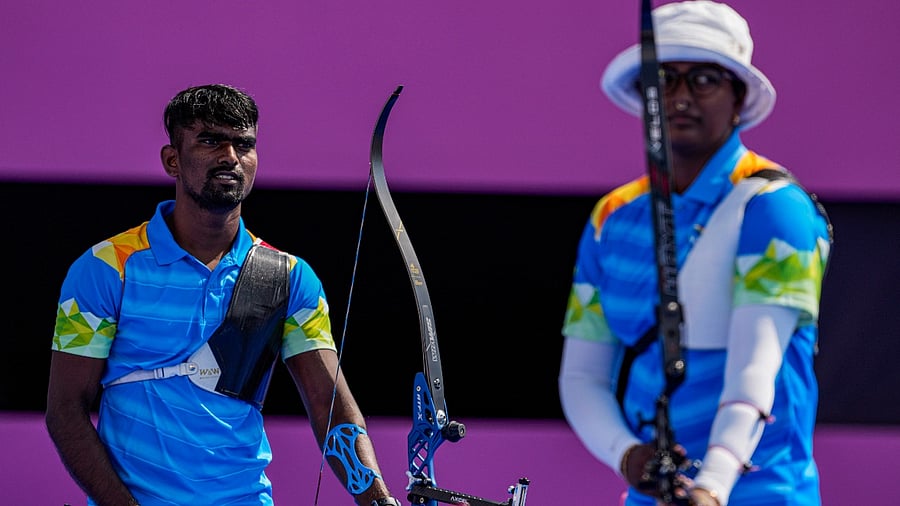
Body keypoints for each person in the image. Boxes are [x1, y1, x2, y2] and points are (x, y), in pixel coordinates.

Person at [45, 84, 402, 506]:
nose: (230, 157)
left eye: (244, 144)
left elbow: (330, 406)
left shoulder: (288, 276)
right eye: (211, 141)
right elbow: (65, 410)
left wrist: (379, 500)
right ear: (172, 160)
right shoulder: (107, 267)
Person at [558, 2, 832, 505]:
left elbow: (758, 368)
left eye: (703, 79)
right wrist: (626, 454)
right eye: (661, 79)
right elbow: (582, 375)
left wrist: (712, 486)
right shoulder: (612, 216)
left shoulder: (774, 209)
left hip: (761, 493)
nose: (679, 96)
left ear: (738, 98)